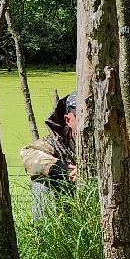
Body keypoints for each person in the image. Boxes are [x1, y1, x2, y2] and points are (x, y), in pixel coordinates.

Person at [19, 91, 78, 220]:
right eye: (79, 115)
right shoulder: (57, 141)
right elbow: (27, 154)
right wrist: (62, 171)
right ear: (68, 119)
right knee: (41, 181)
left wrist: (85, 172)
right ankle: (45, 235)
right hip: (65, 206)